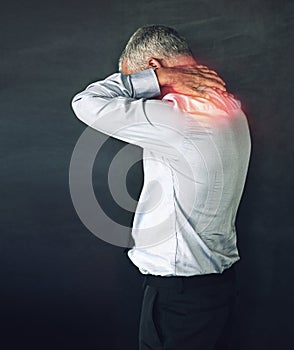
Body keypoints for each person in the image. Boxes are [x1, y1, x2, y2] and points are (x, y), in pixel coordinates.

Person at [71, 25, 251, 350]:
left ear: (154, 67)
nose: (141, 95)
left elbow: (86, 101)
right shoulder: (233, 110)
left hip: (179, 299)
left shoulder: (177, 119)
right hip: (214, 292)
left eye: (138, 81)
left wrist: (159, 81)